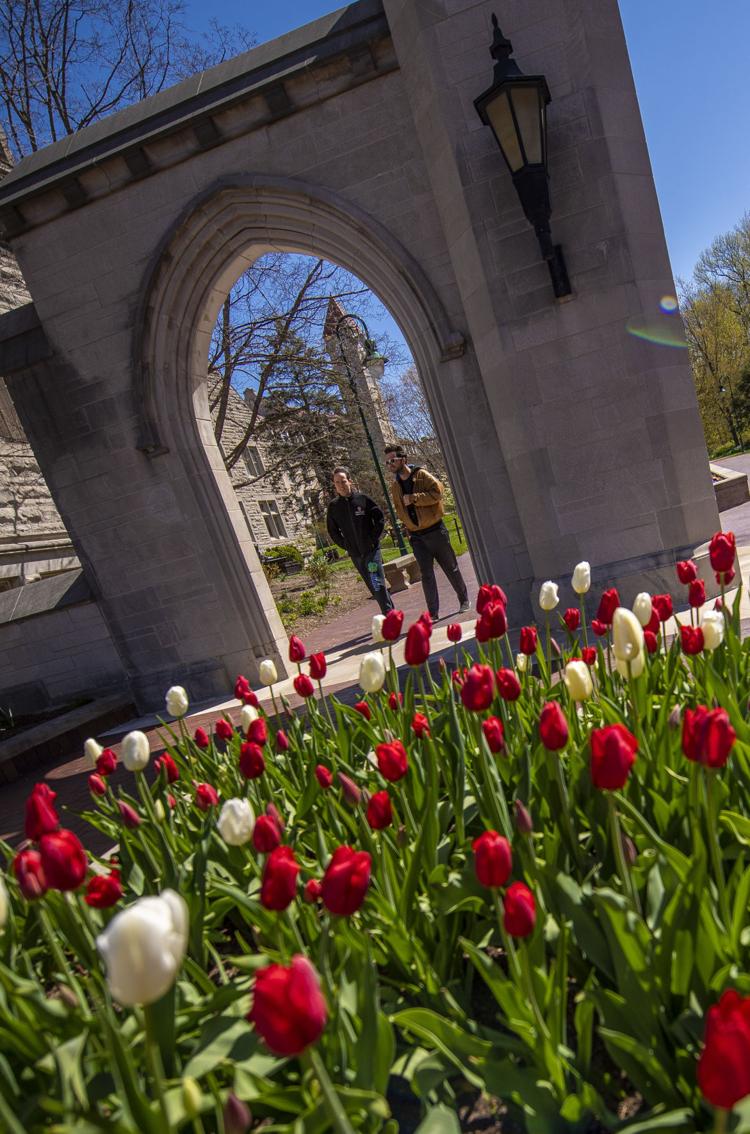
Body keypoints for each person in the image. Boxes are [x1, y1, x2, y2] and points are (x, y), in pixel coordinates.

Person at [385, 444, 469, 620]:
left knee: (450, 568)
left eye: (392, 460)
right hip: (417, 537)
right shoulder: (395, 487)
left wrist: (415, 498)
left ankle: (464, 600)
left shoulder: (421, 475)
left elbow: (438, 493)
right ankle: (433, 613)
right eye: (387, 462)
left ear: (403, 459)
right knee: (426, 575)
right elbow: (399, 509)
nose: (390, 464)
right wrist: (408, 525)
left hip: (435, 531)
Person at [326, 467, 394, 614]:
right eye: (337, 482)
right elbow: (333, 530)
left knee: (377, 583)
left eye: (343, 481)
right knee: (372, 586)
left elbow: (379, 519)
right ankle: (392, 613)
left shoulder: (363, 499)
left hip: (371, 551)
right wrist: (345, 545)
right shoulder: (334, 507)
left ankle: (389, 617)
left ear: (349, 481)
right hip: (356, 554)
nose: (341, 485)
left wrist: (372, 539)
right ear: (334, 485)